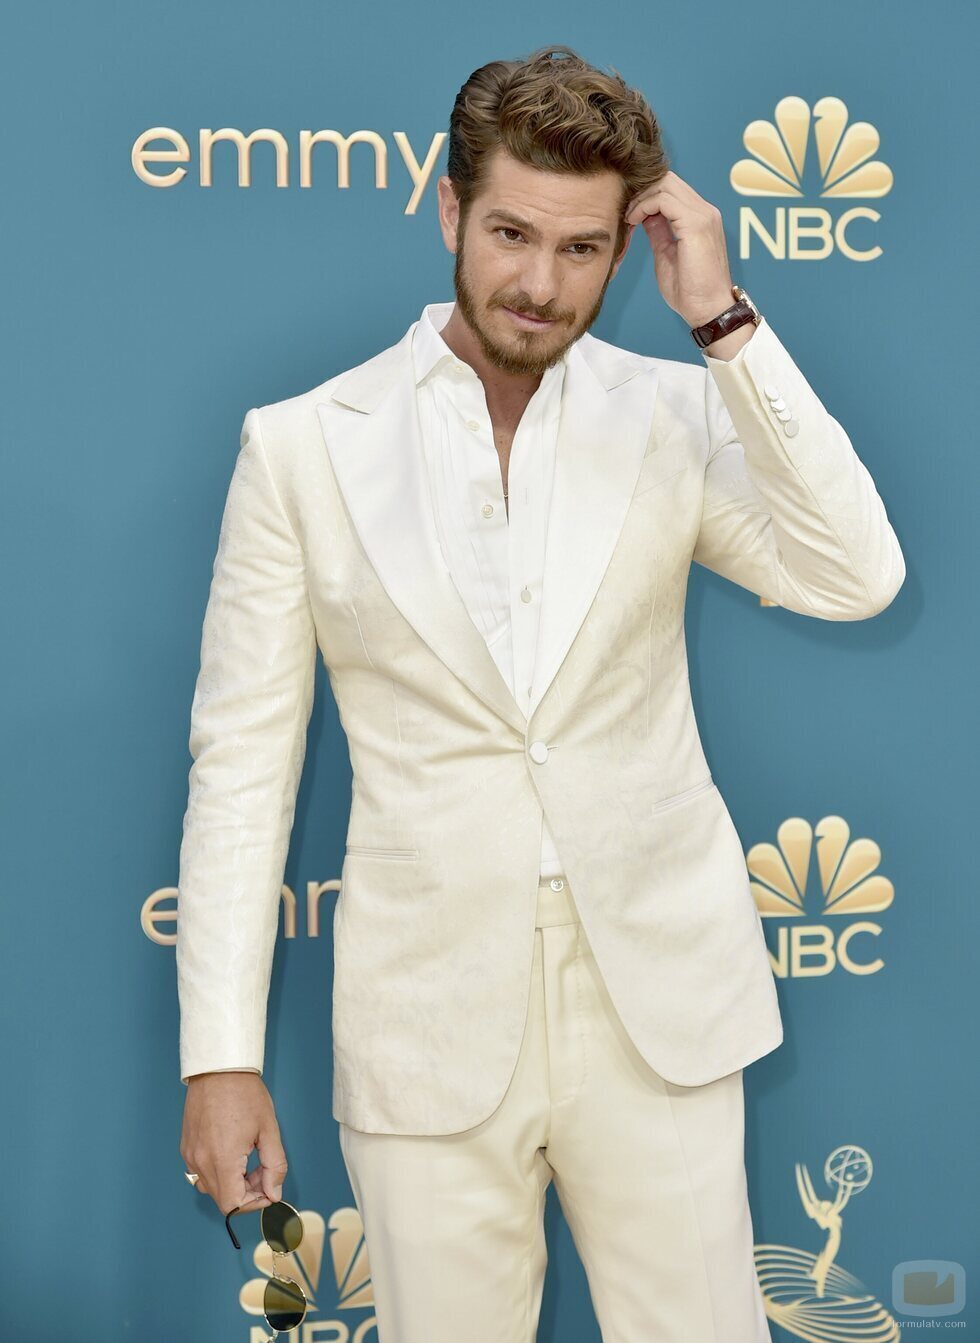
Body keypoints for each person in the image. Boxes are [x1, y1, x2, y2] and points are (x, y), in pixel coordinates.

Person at [177, 44, 905, 1342]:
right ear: (451, 210)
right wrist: (221, 1058)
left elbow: (857, 576)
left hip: (661, 1008)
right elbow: (242, 770)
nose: (538, 281)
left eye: (581, 249)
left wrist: (724, 318)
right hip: (424, 1021)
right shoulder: (301, 448)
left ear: (625, 250)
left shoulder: (674, 413)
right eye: (511, 232)